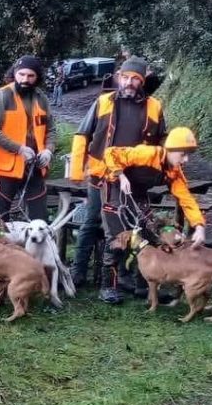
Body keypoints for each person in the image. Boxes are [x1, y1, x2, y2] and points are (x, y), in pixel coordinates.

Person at [68, 55, 167, 301]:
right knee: (93, 222)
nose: (129, 82)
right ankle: (78, 273)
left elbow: (163, 141)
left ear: (142, 81)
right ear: (119, 77)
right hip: (101, 175)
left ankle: (129, 277)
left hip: (136, 179)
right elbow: (82, 135)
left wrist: (161, 170)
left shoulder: (154, 106)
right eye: (125, 77)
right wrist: (77, 171)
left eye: (135, 78)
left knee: (136, 226)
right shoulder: (103, 102)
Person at [102, 127, 207, 252]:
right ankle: (109, 263)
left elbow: (186, 200)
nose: (186, 160)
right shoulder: (148, 154)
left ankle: (141, 263)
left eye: (188, 155)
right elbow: (110, 153)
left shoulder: (174, 172)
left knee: (145, 236)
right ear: (170, 150)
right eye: (182, 154)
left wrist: (199, 226)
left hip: (139, 193)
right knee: (119, 238)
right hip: (115, 187)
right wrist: (121, 175)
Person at [0, 55, 55, 220]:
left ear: (37, 77)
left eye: (30, 76)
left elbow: (51, 129)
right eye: (21, 74)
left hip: (34, 165)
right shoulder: (3, 96)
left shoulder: (41, 98)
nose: (25, 79)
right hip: (5, 168)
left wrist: (48, 151)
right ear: (14, 73)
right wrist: (19, 149)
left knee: (39, 219)